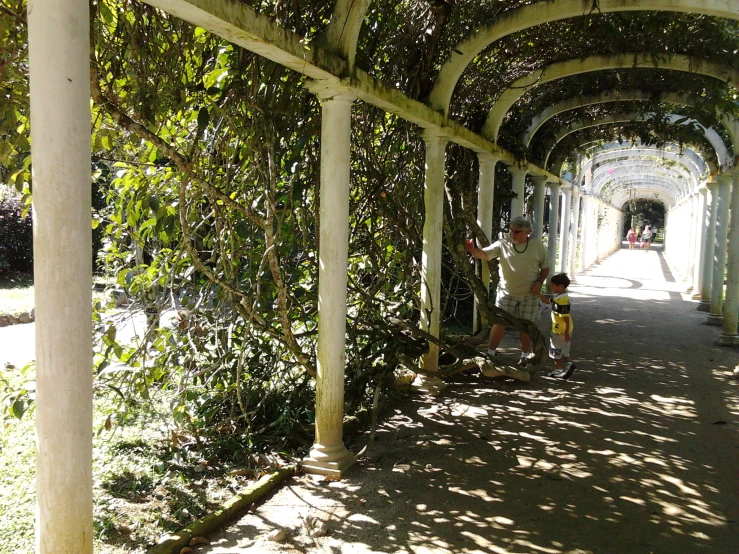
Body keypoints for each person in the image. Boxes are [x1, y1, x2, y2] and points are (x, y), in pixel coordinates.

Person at [465, 216, 550, 366]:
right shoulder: (503, 244)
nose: (513, 234)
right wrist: (472, 250)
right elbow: (485, 254)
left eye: (517, 231)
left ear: (528, 232)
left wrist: (539, 282)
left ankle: (524, 356)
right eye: (511, 231)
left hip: (529, 295)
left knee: (527, 327)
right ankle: (490, 354)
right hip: (506, 293)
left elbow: (545, 267)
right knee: (499, 324)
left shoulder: (537, 246)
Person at [534, 273, 576, 379]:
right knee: (565, 350)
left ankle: (558, 369)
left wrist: (565, 333)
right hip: (564, 329)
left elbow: (565, 318)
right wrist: (537, 294)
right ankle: (570, 364)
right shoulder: (558, 297)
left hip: (559, 330)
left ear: (560, 286)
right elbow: (548, 301)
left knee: (555, 351)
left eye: (553, 285)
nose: (551, 287)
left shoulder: (562, 301)